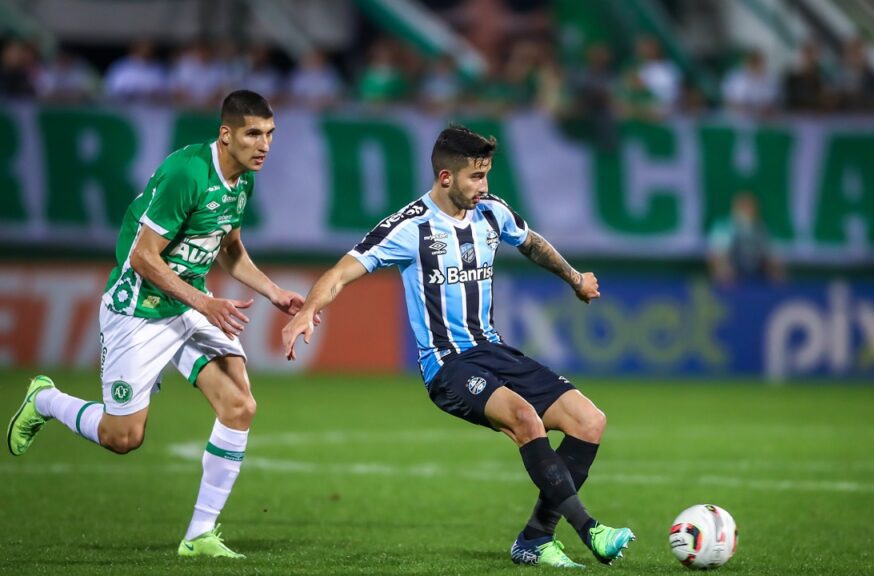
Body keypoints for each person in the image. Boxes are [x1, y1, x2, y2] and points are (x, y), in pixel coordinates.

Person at [281, 125, 636, 568]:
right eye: (475, 177)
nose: (483, 187)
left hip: (493, 350)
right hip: (446, 364)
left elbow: (531, 243)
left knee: (590, 421)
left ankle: (535, 538)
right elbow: (339, 273)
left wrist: (575, 278)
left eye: (486, 176)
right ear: (446, 178)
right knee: (526, 419)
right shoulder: (410, 227)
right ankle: (591, 529)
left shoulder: (491, 212)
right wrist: (306, 311)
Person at [6, 90, 309, 559]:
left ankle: (198, 536)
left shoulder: (242, 179)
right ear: (226, 134)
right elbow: (143, 257)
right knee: (122, 438)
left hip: (189, 301)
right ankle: (44, 399)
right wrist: (203, 304)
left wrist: (274, 292)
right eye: (253, 133)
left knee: (239, 405)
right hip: (140, 308)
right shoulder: (187, 172)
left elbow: (229, 249)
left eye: (270, 134)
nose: (264, 144)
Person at [707, 192, 785, 286]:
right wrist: (726, 275)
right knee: (720, 263)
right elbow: (717, 255)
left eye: (750, 208)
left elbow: (772, 255)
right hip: (732, 275)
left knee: (777, 270)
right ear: (734, 209)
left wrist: (777, 274)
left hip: (757, 273)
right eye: (743, 208)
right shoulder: (724, 227)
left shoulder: (761, 228)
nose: (747, 211)